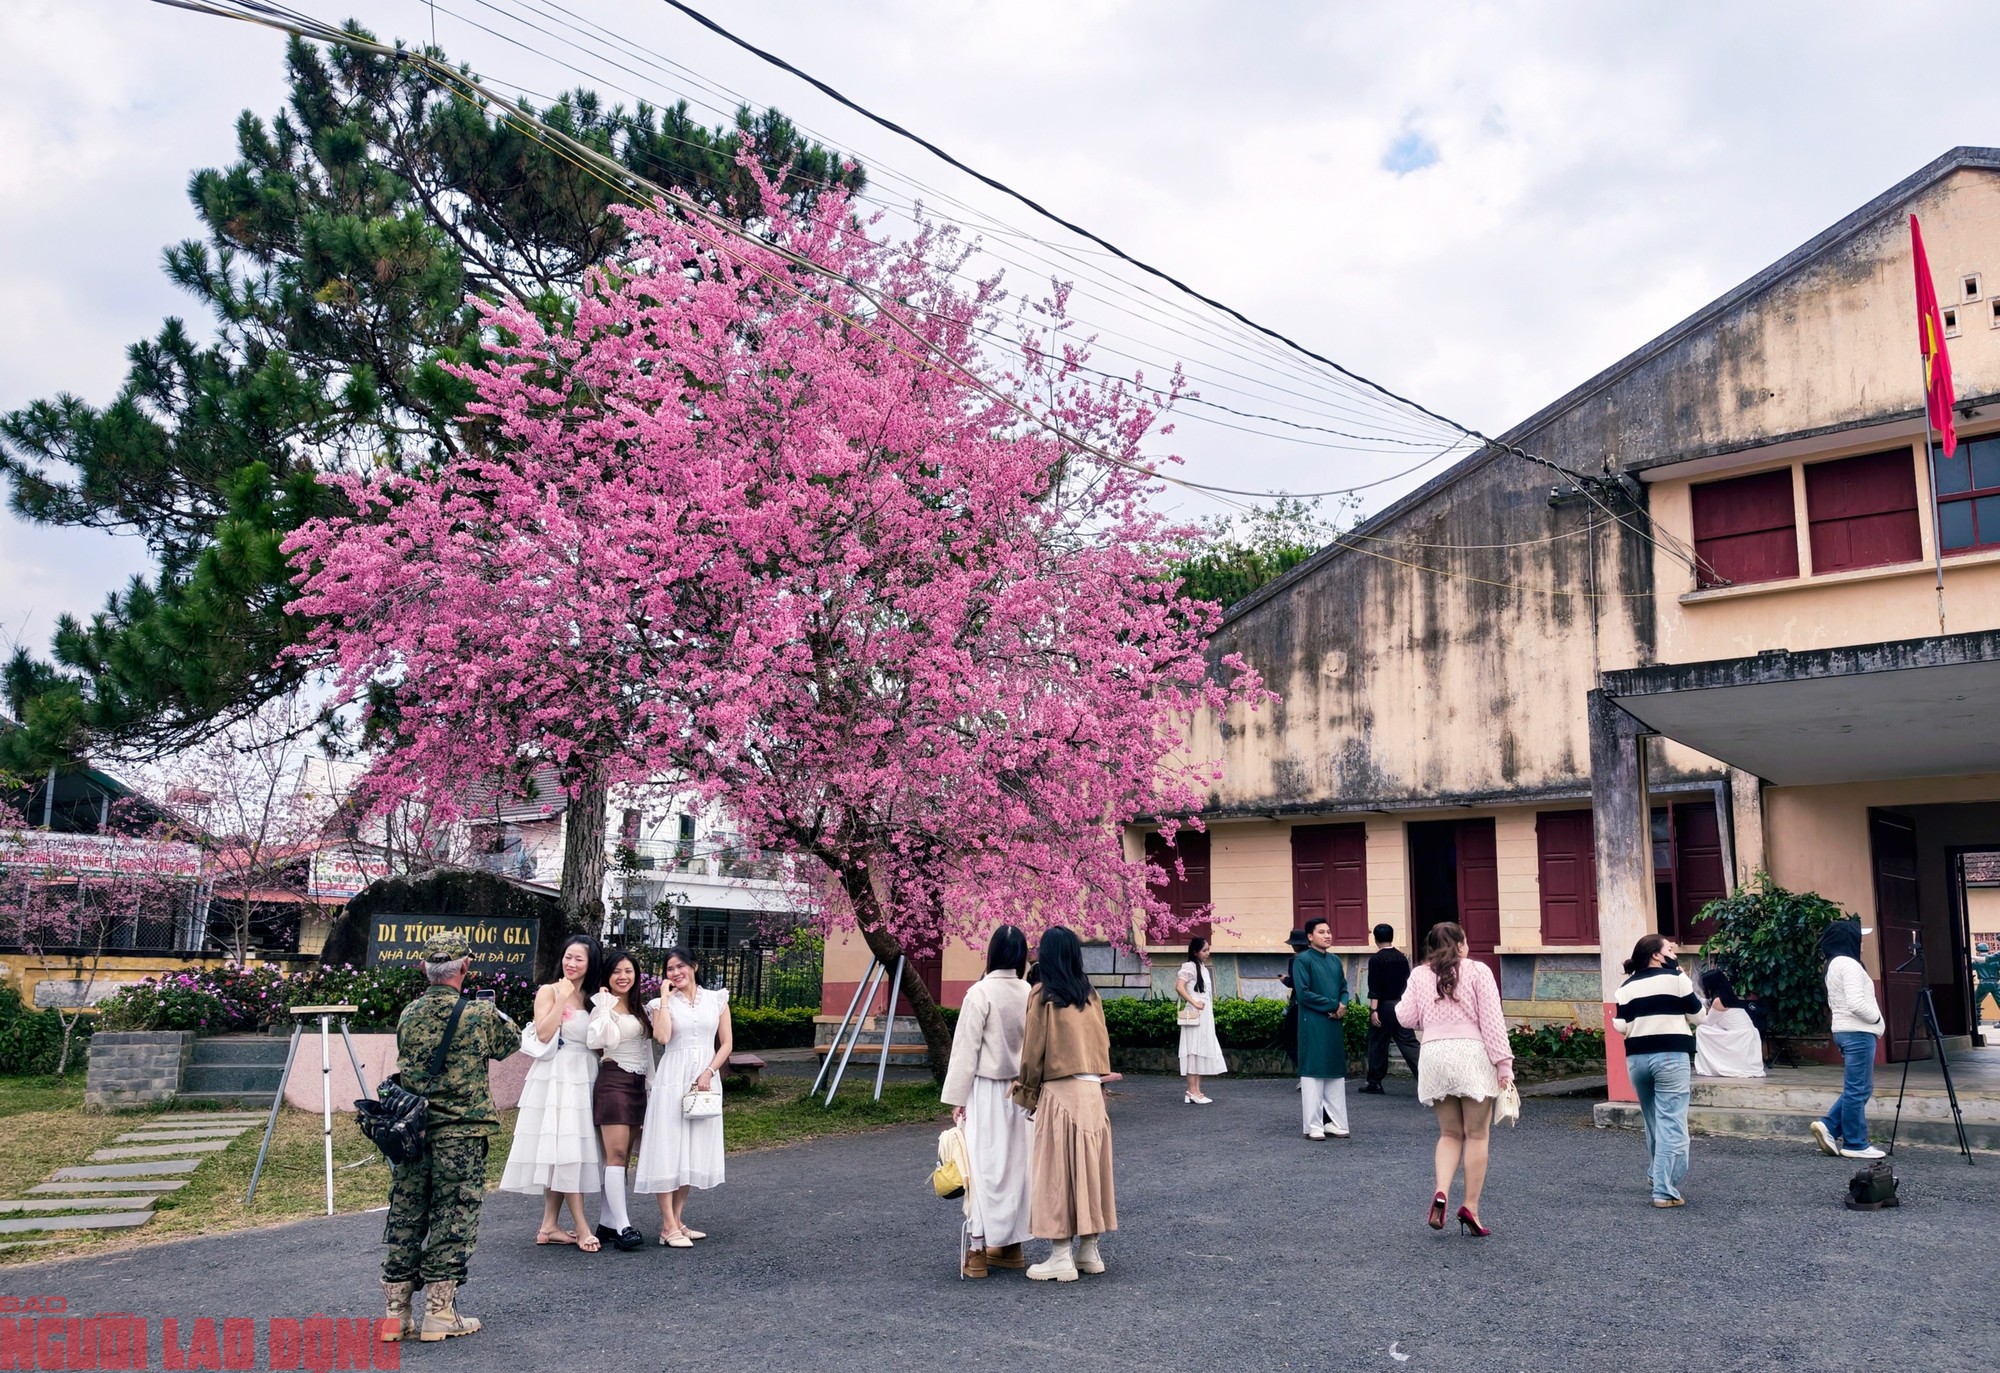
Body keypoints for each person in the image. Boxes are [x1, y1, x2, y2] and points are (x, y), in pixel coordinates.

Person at [379, 929, 519, 1344]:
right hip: (461, 1133)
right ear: (466, 967)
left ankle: (394, 1314)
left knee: (407, 1214)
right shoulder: (478, 1014)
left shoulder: (408, 1013)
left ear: (424, 968)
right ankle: (439, 1313)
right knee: (453, 1215)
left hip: (412, 1132)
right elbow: (509, 1043)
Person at [1013, 926, 1116, 1283]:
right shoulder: (1090, 996)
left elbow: (1032, 1052)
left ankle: (1060, 1255)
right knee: (1090, 1171)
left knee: (1056, 1173)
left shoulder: (1042, 995)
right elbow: (1103, 1047)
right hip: (1091, 1094)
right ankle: (1090, 1250)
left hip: (1059, 1092)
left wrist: (1027, 1094)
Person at [1396, 922, 1512, 1236]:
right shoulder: (1477, 971)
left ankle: (1441, 1191)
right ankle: (1470, 1206)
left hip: (1434, 1054)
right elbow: (1492, 1020)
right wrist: (1504, 1065)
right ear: (1460, 943)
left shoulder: (1420, 974)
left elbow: (1404, 1017)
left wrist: (1428, 1012)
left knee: (1449, 1134)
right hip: (1471, 1053)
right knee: (1476, 1135)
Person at [940, 924, 1034, 1278]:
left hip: (986, 1090)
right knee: (1016, 1165)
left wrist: (957, 1098)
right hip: (1022, 1090)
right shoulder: (1029, 991)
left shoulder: (979, 993)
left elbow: (965, 1050)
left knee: (982, 1166)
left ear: (992, 953)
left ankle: (978, 1249)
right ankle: (1012, 1244)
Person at [501, 934, 606, 1247]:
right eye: (568, 957)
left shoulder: (594, 995)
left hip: (586, 1073)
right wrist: (562, 996)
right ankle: (582, 1225)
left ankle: (549, 1225)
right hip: (558, 1074)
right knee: (566, 1151)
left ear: (591, 963)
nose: (571, 964)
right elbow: (544, 1034)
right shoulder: (549, 990)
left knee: (566, 1150)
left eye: (579, 959)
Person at [634, 945, 732, 1244]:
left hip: (704, 1078)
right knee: (668, 1146)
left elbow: (726, 1043)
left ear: (694, 966)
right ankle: (667, 1225)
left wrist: (709, 1072)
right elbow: (662, 1037)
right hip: (672, 1077)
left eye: (681, 966)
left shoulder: (717, 1000)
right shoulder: (658, 1004)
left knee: (692, 1148)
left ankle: (677, 1221)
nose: (676, 973)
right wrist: (664, 998)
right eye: (670, 969)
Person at [1613, 933, 1706, 1208]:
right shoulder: (1677, 979)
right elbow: (1699, 1015)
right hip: (1670, 1056)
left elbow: (1621, 1025)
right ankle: (1665, 1190)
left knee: (1653, 1119)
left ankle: (1656, 1173)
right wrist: (1680, 977)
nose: (1673, 952)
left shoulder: (1625, 986)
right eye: (1669, 948)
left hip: (1637, 1060)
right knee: (1673, 1122)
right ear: (1656, 954)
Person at [586, 947, 651, 1251]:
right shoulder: (602, 1007)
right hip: (613, 1082)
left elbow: (647, 1050)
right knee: (616, 1156)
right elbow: (598, 1040)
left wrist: (652, 1086)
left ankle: (607, 1223)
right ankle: (624, 1226)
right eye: (616, 971)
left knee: (622, 1160)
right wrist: (603, 1004)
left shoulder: (640, 1008)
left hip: (638, 1085)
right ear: (607, 976)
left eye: (628, 971)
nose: (623, 977)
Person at [1810, 920, 1886, 1160]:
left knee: (1860, 1088)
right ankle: (1855, 1142)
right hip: (1858, 1032)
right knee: (1857, 1089)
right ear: (1848, 940)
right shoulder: (1850, 965)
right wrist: (1875, 1018)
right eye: (1859, 939)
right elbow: (1855, 1002)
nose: (1862, 944)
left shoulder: (1834, 964)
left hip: (1845, 1031)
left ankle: (1829, 1126)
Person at [1292, 917, 1350, 1140]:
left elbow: (1343, 987)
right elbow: (1304, 993)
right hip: (1313, 1022)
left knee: (1335, 1072)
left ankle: (1337, 1123)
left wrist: (1342, 1004)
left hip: (1333, 1021)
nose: (1327, 935)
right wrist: (1334, 1005)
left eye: (1329, 931)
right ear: (1310, 937)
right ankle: (1314, 1126)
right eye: (1321, 932)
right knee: (1313, 1072)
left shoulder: (1335, 960)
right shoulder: (1302, 960)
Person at [1361, 923, 1420, 1094]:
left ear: (1376, 939)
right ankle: (1427, 1078)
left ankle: (1374, 1082)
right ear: (1392, 936)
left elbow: (1374, 988)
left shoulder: (1376, 960)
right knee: (1409, 1043)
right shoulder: (1402, 957)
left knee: (1378, 1043)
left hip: (1384, 1006)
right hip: (1402, 1004)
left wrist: (1373, 1011)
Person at [1176, 935, 1228, 1104]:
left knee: (1199, 1050)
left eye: (1208, 950)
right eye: (1204, 950)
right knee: (1192, 1050)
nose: (1207, 953)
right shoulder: (1189, 966)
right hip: (1195, 1013)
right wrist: (1193, 1001)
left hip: (1204, 1014)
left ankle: (1196, 1090)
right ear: (1195, 951)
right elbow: (1179, 986)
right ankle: (1191, 1091)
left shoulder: (1202, 968)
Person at [1693, 969, 1765, 1079]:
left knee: (1701, 1030)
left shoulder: (1718, 1001)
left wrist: (1693, 1018)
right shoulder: (1728, 997)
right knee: (1715, 1027)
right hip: (1748, 1036)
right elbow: (1703, 1001)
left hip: (1740, 1038)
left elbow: (1708, 1022)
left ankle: (1713, 1064)